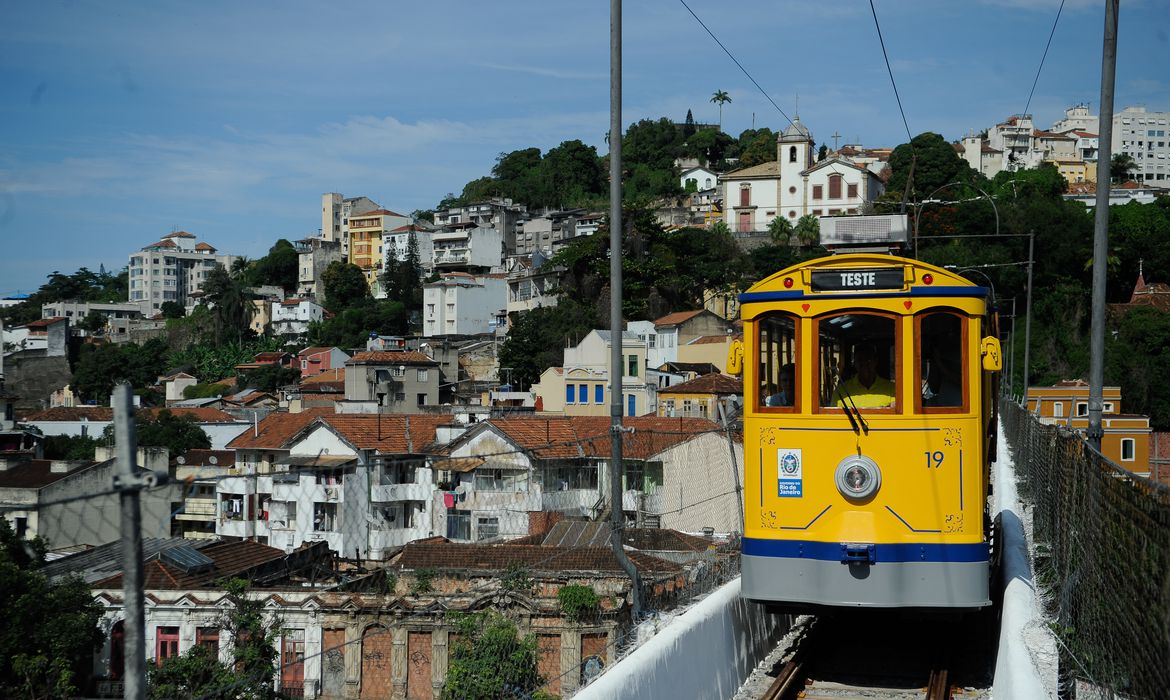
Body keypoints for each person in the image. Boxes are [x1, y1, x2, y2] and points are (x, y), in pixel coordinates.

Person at [834, 343, 895, 408]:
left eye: (868, 360)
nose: (864, 364)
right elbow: (832, 415)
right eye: (860, 360)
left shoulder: (892, 389)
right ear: (854, 363)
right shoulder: (841, 390)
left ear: (875, 361)